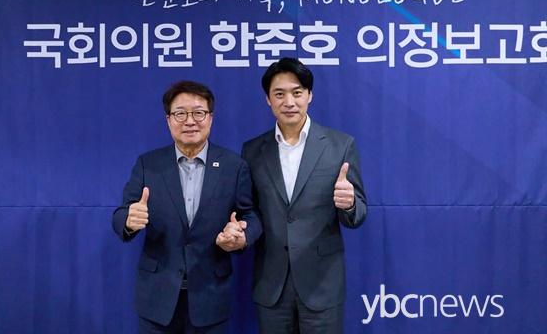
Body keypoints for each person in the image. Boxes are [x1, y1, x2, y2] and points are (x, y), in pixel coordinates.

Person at [112, 80, 261, 334]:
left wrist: (241, 235)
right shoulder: (148, 164)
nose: (190, 121)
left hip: (210, 295)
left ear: (210, 118)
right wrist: (129, 220)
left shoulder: (233, 166)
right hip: (157, 298)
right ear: (168, 120)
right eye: (180, 114)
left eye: (198, 113)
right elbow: (121, 214)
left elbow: (251, 215)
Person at [241, 57, 367, 333]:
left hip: (322, 283)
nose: (289, 102)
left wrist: (348, 205)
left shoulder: (340, 145)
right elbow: (250, 212)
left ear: (309, 95)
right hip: (271, 284)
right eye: (279, 94)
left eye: (297, 92)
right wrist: (240, 232)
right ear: (268, 100)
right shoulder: (252, 151)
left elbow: (357, 215)